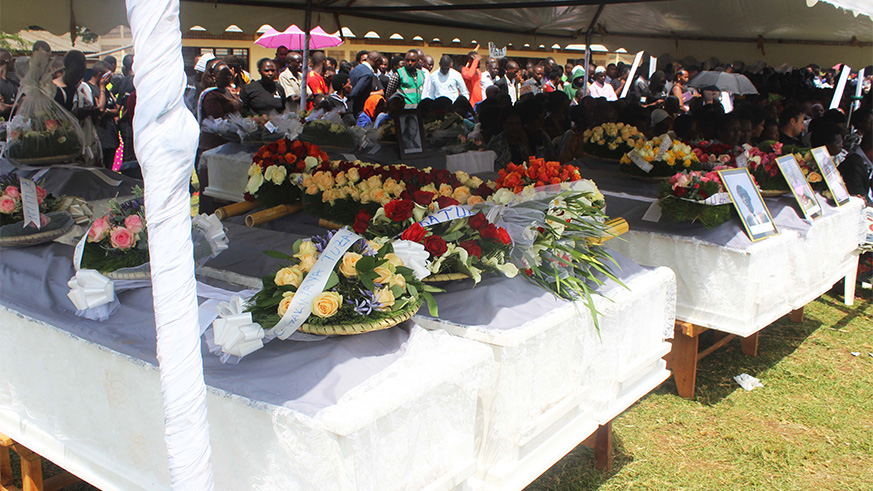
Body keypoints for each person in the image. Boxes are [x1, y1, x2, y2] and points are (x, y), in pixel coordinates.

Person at [85, 60, 120, 168]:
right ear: (100, 75)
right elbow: (100, 108)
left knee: (109, 168)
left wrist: (108, 111)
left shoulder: (107, 91)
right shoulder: (89, 88)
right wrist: (101, 87)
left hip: (111, 138)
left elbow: (116, 110)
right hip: (100, 137)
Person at [349, 50, 382, 116]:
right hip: (360, 110)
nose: (379, 66)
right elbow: (355, 93)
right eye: (379, 63)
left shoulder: (356, 69)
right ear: (376, 61)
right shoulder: (368, 74)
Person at [0, 49, 17, 119]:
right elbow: (1, 108)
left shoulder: (13, 83)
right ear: (7, 61)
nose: (14, 63)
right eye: (12, 60)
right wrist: (17, 106)